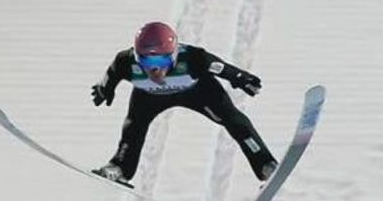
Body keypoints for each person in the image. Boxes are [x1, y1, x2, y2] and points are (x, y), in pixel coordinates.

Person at [90, 21, 278, 185]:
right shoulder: (126, 60)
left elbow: (221, 68)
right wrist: (104, 88)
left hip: (198, 92)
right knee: (133, 127)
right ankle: (120, 167)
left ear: (173, 55)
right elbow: (112, 72)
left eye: (160, 60)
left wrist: (240, 77)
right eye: (145, 60)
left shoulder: (193, 57)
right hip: (150, 97)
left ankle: (265, 165)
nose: (154, 69)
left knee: (234, 120)